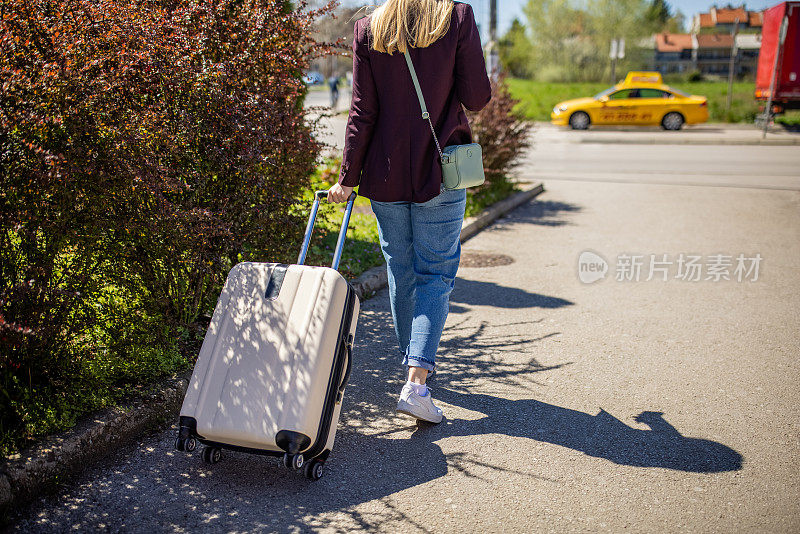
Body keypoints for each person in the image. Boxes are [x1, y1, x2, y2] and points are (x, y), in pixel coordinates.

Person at [327, 0, 491, 423]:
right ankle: (416, 382)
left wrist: (347, 178)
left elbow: (362, 112)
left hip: (383, 175)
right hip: (439, 171)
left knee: (401, 271)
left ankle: (414, 366)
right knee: (435, 274)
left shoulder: (368, 29)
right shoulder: (455, 18)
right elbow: (477, 97)